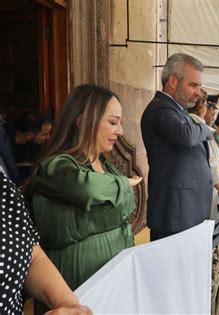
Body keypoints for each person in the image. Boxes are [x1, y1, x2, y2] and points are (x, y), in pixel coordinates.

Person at [31, 85, 141, 313]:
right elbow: (86, 189)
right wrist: (125, 183)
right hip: (77, 287)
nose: (120, 131)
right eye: (113, 122)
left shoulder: (107, 165)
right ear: (82, 121)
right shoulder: (55, 166)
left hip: (115, 285)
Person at [141, 53, 213, 240]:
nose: (198, 92)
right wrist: (204, 128)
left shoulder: (177, 111)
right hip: (174, 217)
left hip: (184, 215)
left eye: (199, 86)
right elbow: (186, 136)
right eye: (193, 85)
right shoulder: (160, 108)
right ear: (173, 81)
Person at [0, 172, 92, 315]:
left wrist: (67, 304)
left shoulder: (4, 186)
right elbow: (89, 189)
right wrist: (123, 183)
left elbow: (32, 255)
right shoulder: (55, 166)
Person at [187, 89, 219, 200]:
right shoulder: (204, 129)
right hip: (201, 186)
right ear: (203, 107)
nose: (214, 113)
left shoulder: (188, 122)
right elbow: (212, 160)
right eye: (210, 108)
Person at [6, 110, 52, 182]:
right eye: (45, 134)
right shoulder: (6, 149)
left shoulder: (36, 146)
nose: (48, 138)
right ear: (29, 135)